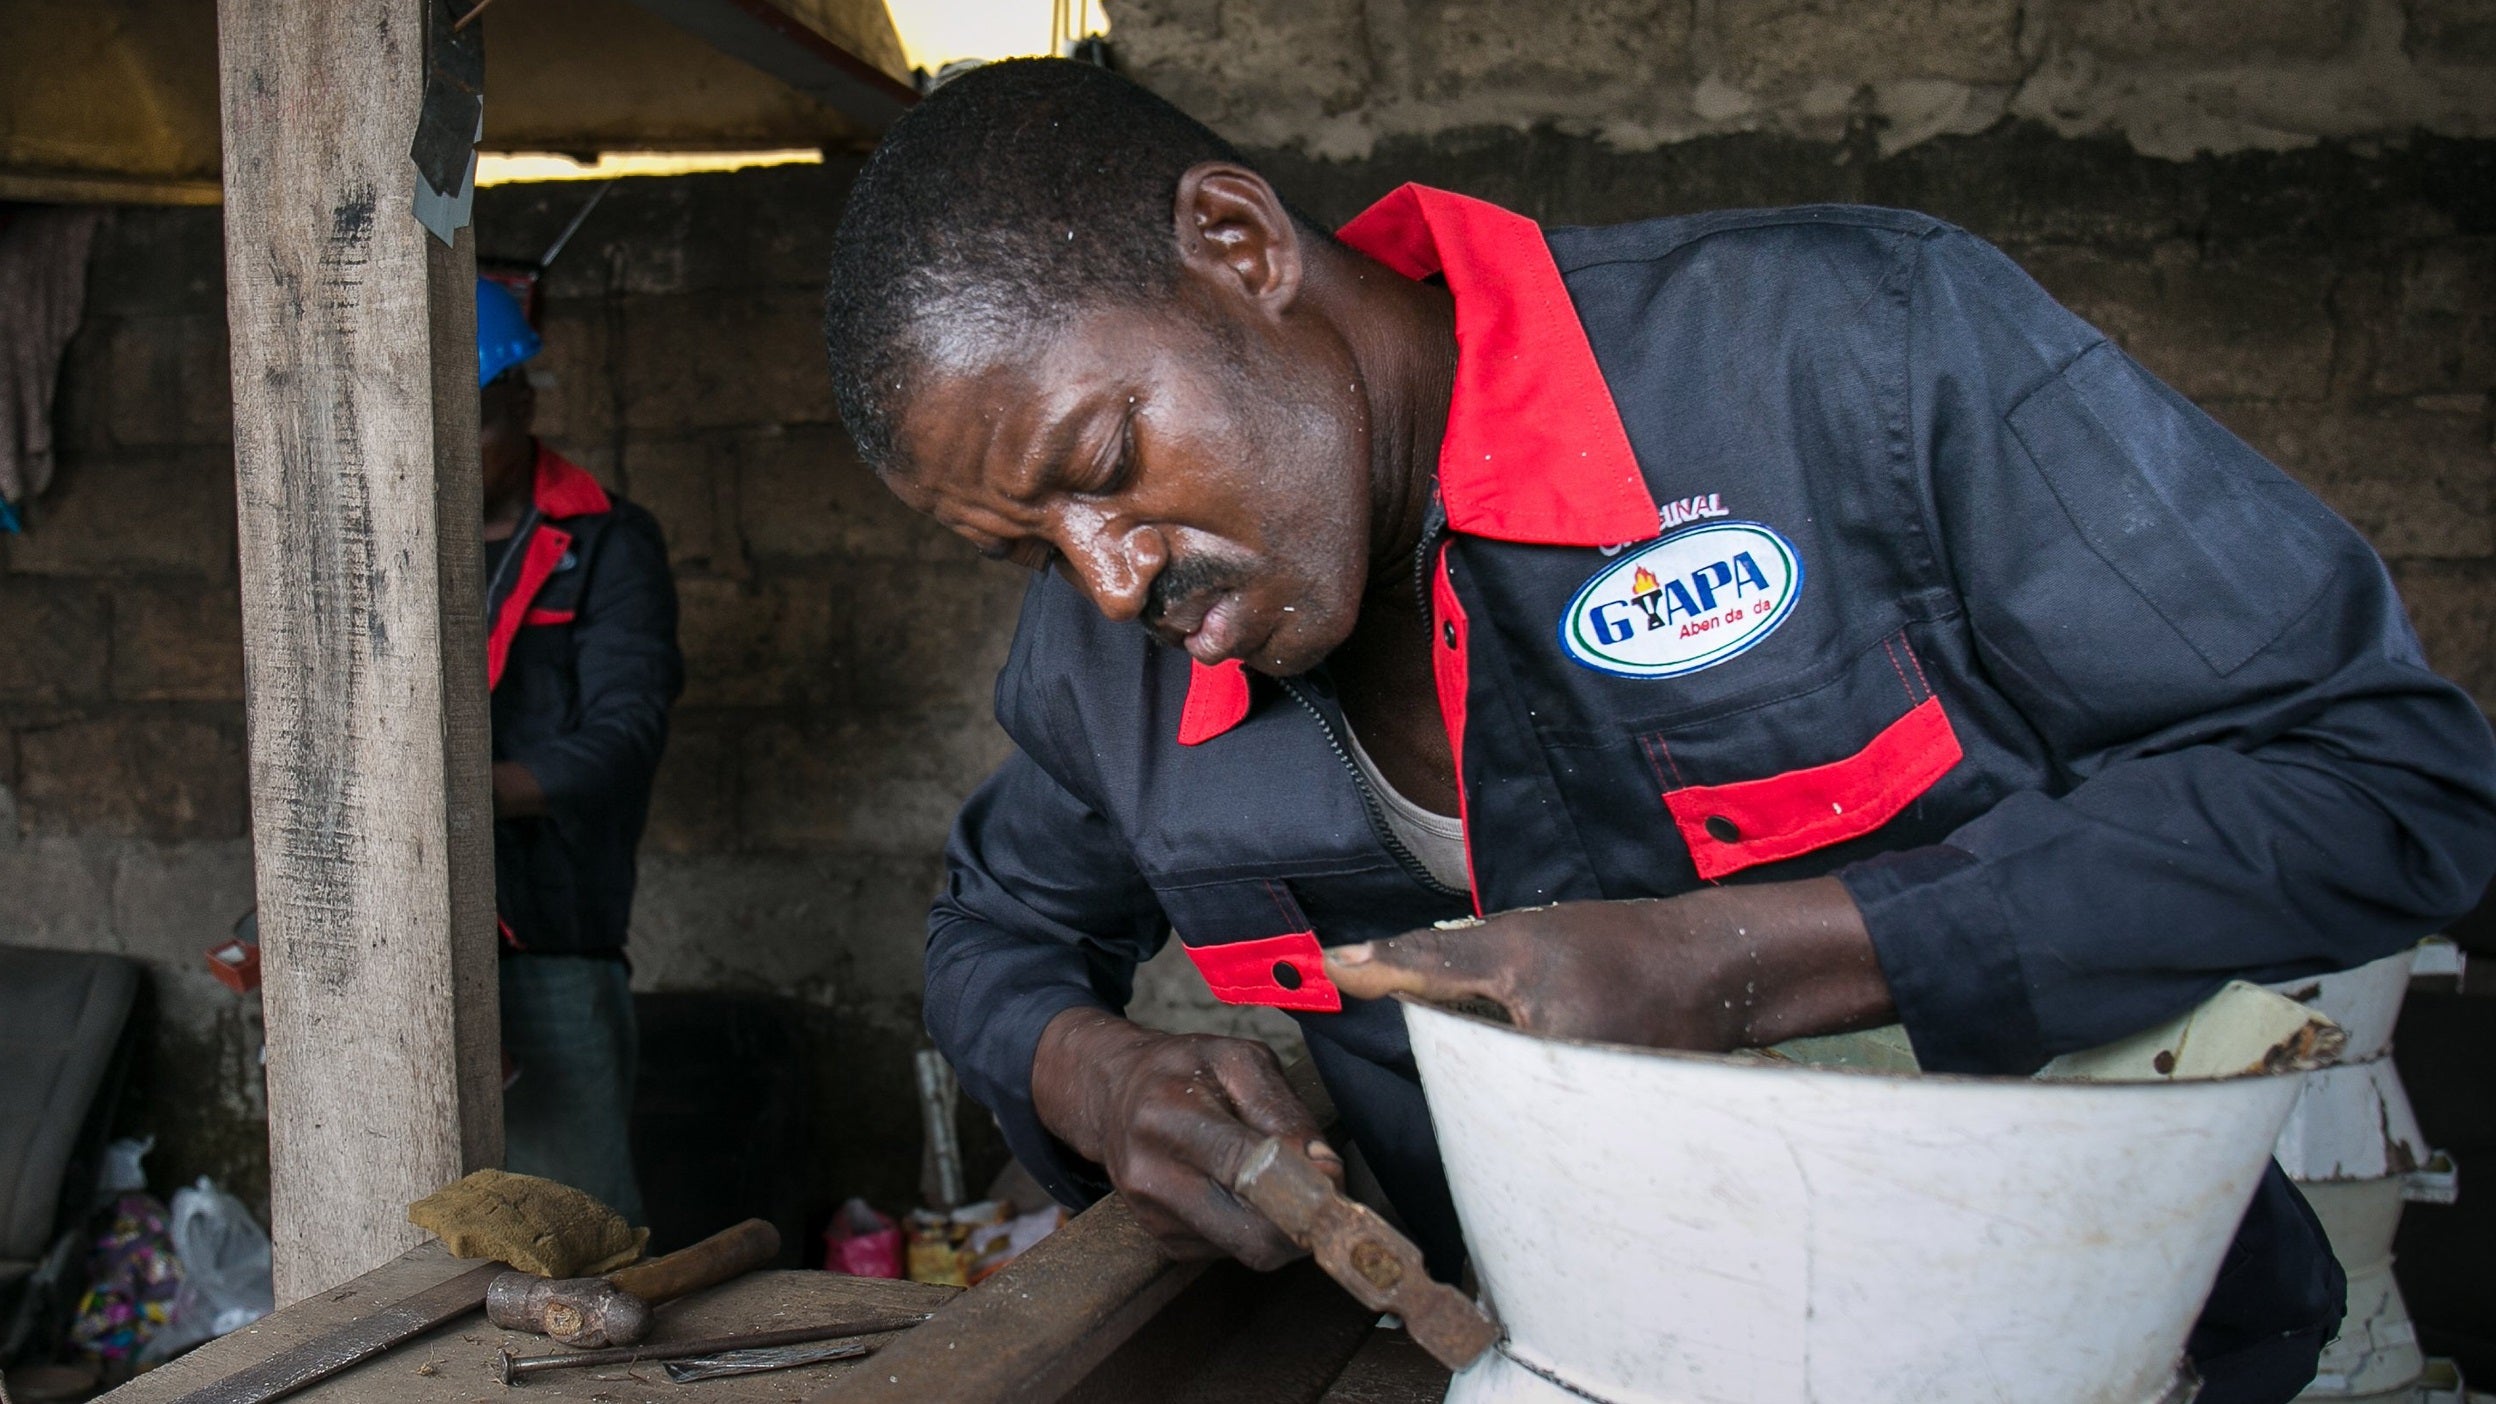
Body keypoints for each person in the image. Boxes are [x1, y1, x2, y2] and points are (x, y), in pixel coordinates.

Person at [819, 61, 2496, 1402]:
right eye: (1026, 546)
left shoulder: (1853, 357)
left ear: (1241, 248)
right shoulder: (1106, 656)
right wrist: (1094, 1072)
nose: (1103, 583)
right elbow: (993, 930)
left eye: (1105, 463)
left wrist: (1746, 957)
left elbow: (2385, 781)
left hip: (2083, 1347)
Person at [477, 277, 683, 1224]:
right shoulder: (385, 534)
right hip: (409, 938)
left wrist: (460, 803)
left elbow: (621, 739)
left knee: (573, 1227)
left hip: (549, 935)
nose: (449, 454)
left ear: (519, 405)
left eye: (474, 424)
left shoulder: (605, 541)